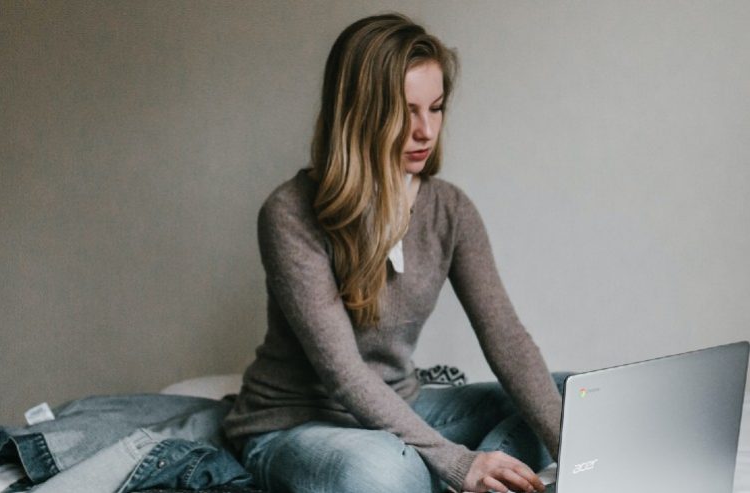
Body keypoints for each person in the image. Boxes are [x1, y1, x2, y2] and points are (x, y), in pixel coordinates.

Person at [221, 13, 565, 493]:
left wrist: (572, 452)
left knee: (569, 396)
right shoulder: (290, 213)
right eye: (406, 111)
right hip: (295, 422)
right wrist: (455, 462)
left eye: (437, 108)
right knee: (383, 470)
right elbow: (343, 375)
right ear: (358, 111)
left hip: (403, 407)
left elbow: (506, 339)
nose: (426, 130)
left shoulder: (450, 209)